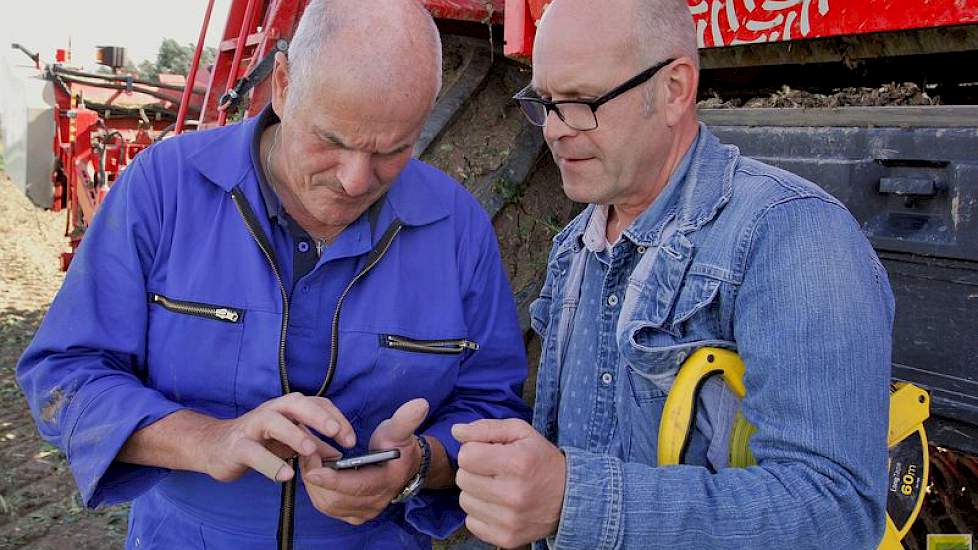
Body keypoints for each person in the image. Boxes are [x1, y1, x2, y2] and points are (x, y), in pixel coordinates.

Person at [16, 1, 529, 548]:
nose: (356, 180)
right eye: (332, 141)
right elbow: (66, 374)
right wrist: (210, 440)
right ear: (282, 85)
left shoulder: (457, 228)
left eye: (393, 150)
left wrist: (420, 464)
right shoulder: (165, 189)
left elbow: (492, 405)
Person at [451, 0, 893, 548]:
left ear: (675, 89)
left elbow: (835, 511)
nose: (555, 131)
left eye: (582, 101)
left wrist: (575, 501)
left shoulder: (790, 235)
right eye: (545, 102)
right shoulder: (578, 245)